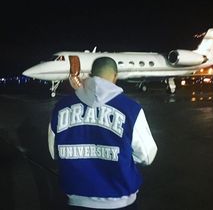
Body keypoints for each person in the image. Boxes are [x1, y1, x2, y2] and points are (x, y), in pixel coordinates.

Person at [48, 56, 157, 210]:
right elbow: (147, 156)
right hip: (121, 201)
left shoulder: (61, 107)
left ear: (92, 74)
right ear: (115, 76)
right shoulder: (131, 108)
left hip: (76, 200)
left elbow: (54, 152)